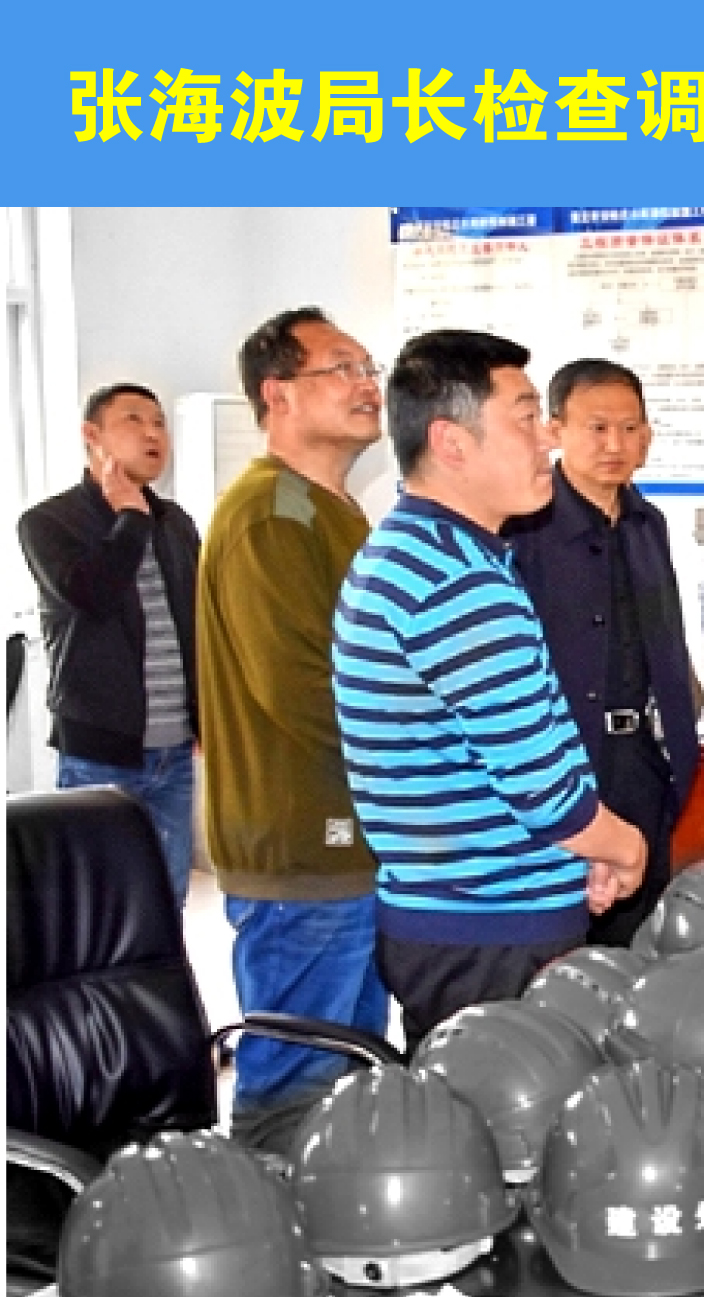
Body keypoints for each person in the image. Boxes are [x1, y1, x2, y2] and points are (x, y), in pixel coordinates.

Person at [332, 330, 647, 1049]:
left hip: (458, 917)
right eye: (525, 420)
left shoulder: (415, 553)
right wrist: (622, 846)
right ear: (451, 443)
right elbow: (544, 789)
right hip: (490, 930)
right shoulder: (457, 583)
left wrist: (580, 852)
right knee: (509, 1116)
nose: (546, 441)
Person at [198, 307, 390, 1144]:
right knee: (293, 1091)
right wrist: (424, 751)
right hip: (303, 842)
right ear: (277, 394)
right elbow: (303, 687)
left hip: (348, 839)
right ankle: (263, 1216)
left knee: (347, 1076)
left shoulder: (329, 508)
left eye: (368, 367)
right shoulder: (273, 513)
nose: (366, 384)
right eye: (340, 367)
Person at [504, 360, 698, 949]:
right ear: (555, 430)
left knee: (638, 942)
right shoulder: (522, 528)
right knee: (564, 942)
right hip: (563, 765)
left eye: (629, 428)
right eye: (597, 428)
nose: (615, 444)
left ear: (648, 436)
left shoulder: (648, 523)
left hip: (643, 760)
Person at [19, 383, 200, 907]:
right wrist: (131, 519)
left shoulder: (176, 523)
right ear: (91, 436)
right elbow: (91, 594)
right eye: (134, 420)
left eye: (159, 422)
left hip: (174, 749)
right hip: (99, 751)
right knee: (102, 905)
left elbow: (198, 621)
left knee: (167, 899)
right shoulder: (48, 522)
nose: (153, 434)